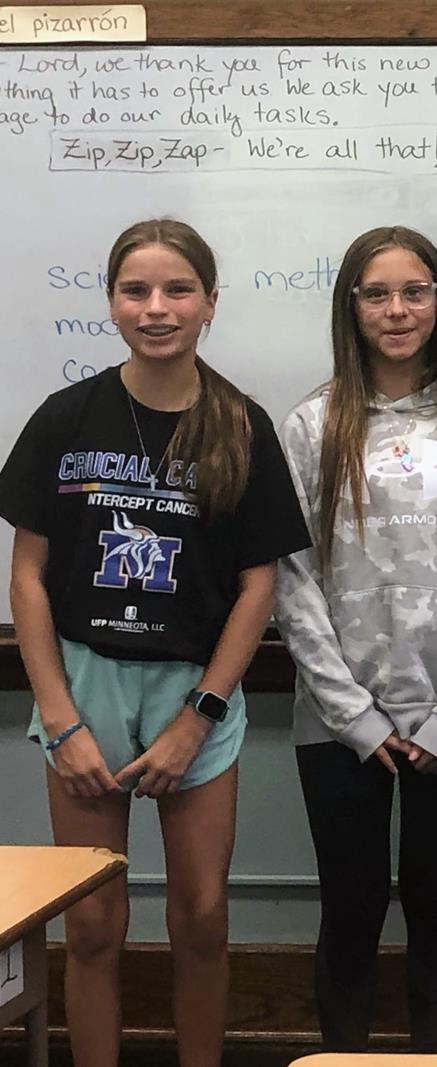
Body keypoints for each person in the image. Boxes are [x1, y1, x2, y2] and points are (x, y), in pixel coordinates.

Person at [0, 218, 309, 1067]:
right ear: (111, 302)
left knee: (201, 917)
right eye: (135, 290)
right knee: (92, 923)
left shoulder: (241, 424)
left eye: (178, 289)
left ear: (210, 302)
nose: (157, 307)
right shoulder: (67, 417)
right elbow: (27, 576)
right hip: (85, 685)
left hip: (194, 691)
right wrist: (60, 719)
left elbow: (258, 584)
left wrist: (198, 716)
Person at [276, 226, 437, 1051]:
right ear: (350, 307)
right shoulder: (312, 425)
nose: (396, 310)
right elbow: (292, 580)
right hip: (340, 722)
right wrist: (353, 713)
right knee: (350, 907)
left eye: (414, 291)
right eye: (376, 294)